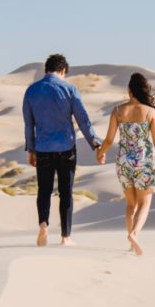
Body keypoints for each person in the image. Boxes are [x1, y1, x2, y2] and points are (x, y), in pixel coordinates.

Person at [22, 53, 102, 246]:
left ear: (45, 70)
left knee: (44, 190)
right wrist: (95, 143)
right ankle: (66, 237)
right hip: (66, 148)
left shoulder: (31, 91)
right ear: (63, 71)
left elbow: (28, 124)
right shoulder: (69, 89)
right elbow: (82, 119)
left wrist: (31, 150)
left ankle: (43, 225)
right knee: (66, 192)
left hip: (42, 148)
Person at [96, 72, 155, 255]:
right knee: (145, 203)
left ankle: (131, 240)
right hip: (143, 162)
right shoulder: (150, 112)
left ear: (129, 90)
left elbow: (108, 140)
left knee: (130, 204)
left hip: (123, 162)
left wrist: (100, 153)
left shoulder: (118, 111)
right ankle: (135, 234)